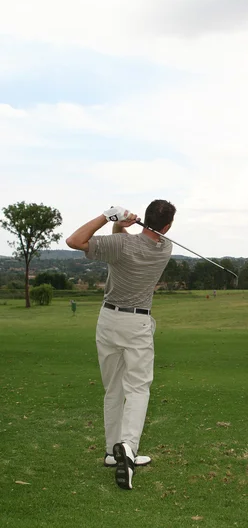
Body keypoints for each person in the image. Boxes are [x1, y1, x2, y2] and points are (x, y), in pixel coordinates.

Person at [66, 200, 176, 490]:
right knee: (138, 388)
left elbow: (75, 241)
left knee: (113, 387)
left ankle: (111, 452)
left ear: (146, 217)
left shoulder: (121, 246)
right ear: (166, 227)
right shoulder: (165, 248)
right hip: (137, 324)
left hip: (108, 320)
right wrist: (119, 226)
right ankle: (127, 448)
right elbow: (124, 244)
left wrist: (107, 217)